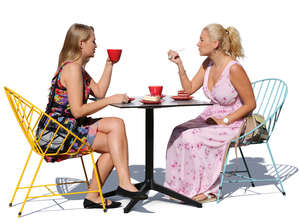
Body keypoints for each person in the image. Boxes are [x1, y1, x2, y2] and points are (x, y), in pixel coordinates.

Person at [43, 23, 147, 209]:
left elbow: (99, 92)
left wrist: (109, 64)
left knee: (117, 124)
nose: (96, 45)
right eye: (93, 41)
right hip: (56, 134)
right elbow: (78, 111)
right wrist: (110, 100)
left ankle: (120, 184)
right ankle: (99, 193)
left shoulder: (78, 69)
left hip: (68, 126)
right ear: (81, 43)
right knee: (114, 147)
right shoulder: (72, 69)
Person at [165, 23, 256, 203]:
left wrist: (226, 120)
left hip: (234, 122)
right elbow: (189, 88)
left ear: (215, 43)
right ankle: (181, 187)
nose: (197, 43)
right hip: (211, 117)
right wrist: (179, 64)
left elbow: (251, 103)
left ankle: (208, 190)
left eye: (201, 39)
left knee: (192, 136)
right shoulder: (208, 64)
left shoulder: (234, 69)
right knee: (178, 131)